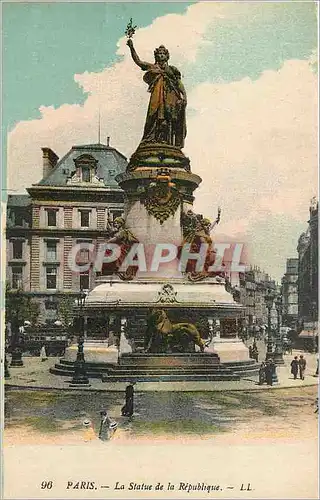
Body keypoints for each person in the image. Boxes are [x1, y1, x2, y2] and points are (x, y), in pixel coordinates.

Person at [127, 39, 187, 148]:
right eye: (159, 53)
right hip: (157, 96)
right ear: (156, 56)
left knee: (169, 118)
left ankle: (168, 142)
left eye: (163, 54)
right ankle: (152, 139)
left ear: (167, 56)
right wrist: (131, 47)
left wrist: (184, 96)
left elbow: (179, 84)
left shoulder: (172, 70)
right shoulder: (152, 67)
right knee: (153, 115)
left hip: (170, 96)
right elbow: (139, 61)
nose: (161, 55)